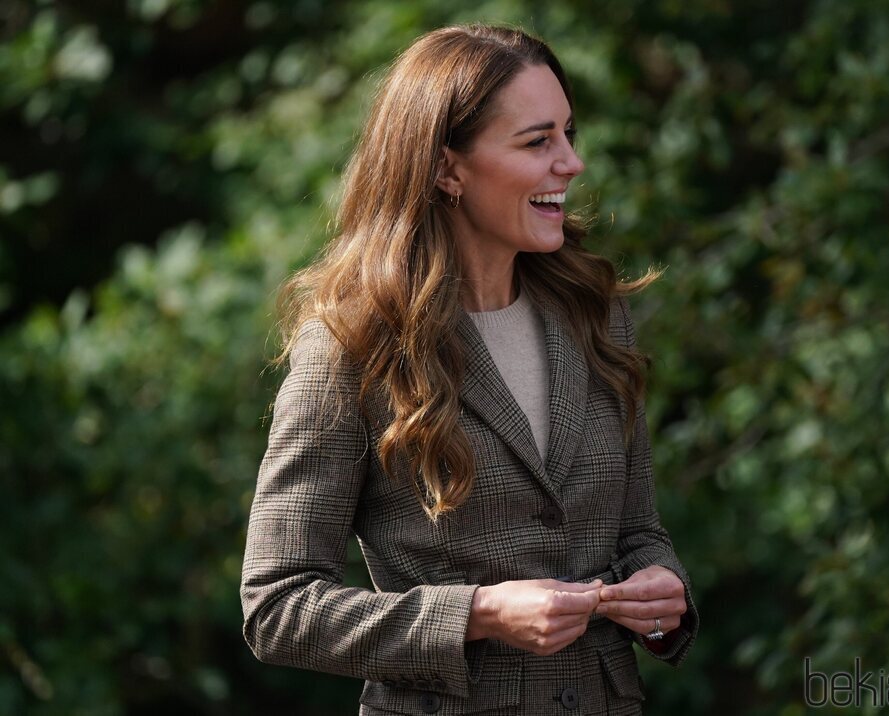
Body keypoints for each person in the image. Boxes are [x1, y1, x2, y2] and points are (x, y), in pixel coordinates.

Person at [241, 24, 699, 715]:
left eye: (569, 134)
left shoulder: (595, 317)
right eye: (537, 141)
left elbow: (636, 531)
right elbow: (277, 607)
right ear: (447, 168)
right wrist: (476, 613)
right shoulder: (350, 347)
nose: (571, 164)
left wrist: (660, 592)